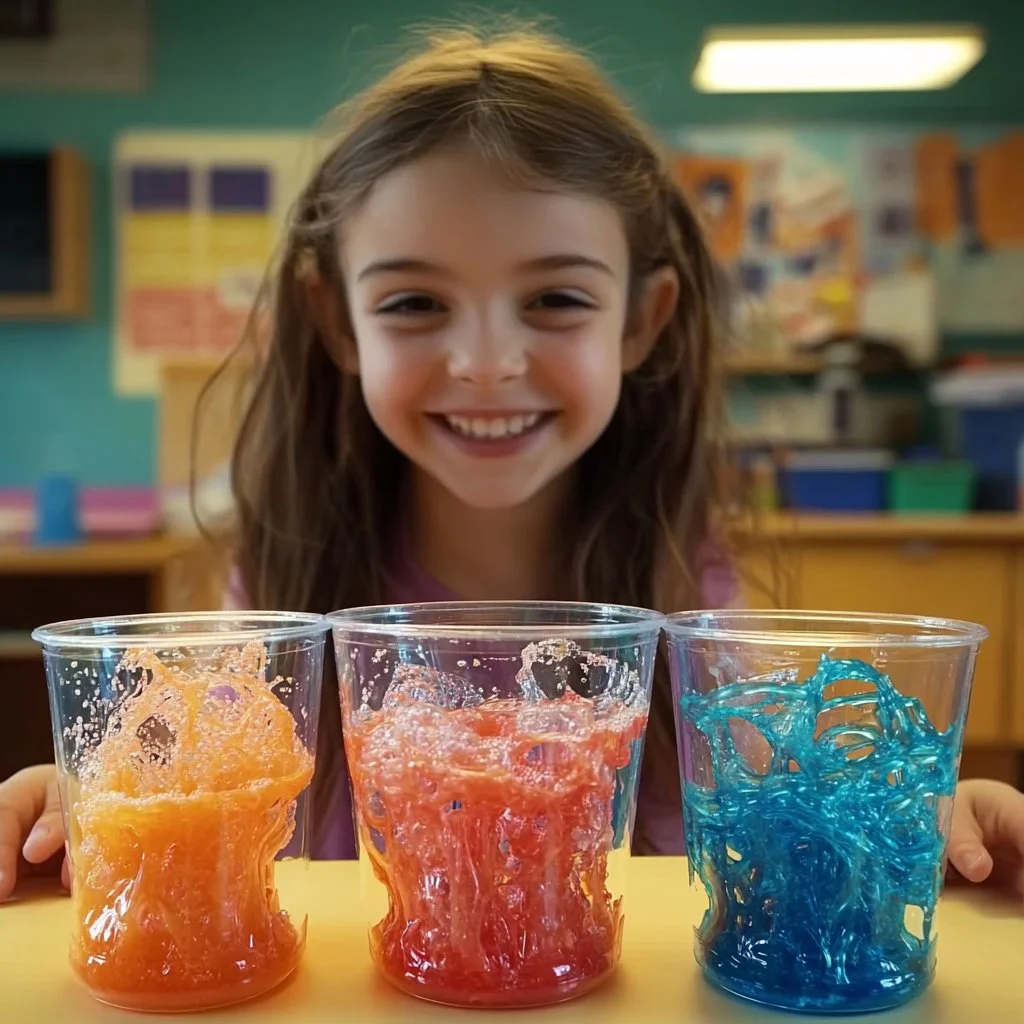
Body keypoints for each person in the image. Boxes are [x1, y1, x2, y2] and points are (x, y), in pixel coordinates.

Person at [2, 27, 1023, 901]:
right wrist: (87, 812)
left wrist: (924, 823)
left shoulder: (684, 585)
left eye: (555, 299)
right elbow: (182, 796)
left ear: (641, 320)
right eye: (413, 303)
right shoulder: (281, 593)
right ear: (337, 323)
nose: (486, 363)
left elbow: (772, 823)